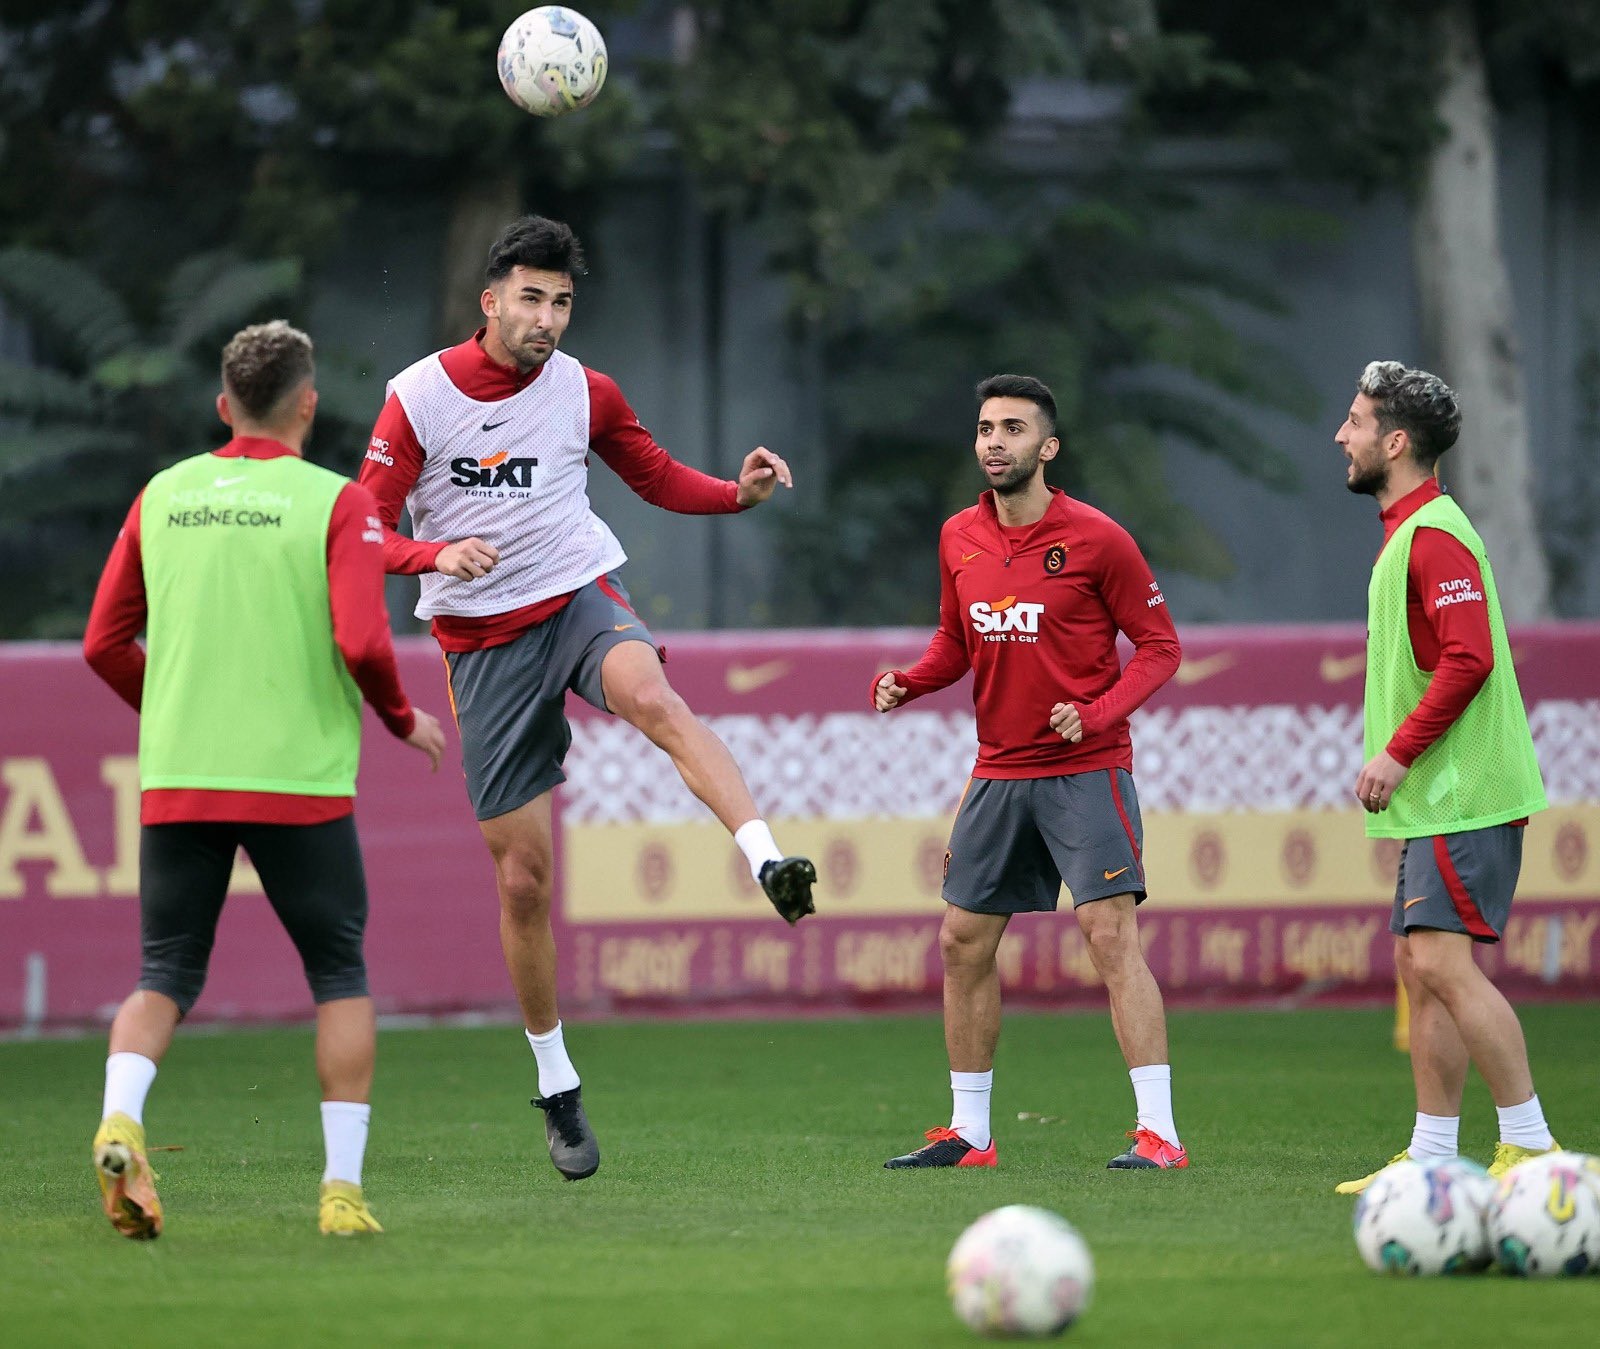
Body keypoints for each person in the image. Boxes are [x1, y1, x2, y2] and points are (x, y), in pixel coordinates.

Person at [358, 214, 816, 1182]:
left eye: (561, 301)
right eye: (531, 297)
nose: (548, 318)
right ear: (490, 302)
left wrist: (737, 493)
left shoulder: (583, 390)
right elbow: (362, 529)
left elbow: (652, 478)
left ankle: (767, 857)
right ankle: (556, 1080)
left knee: (654, 695)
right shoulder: (418, 397)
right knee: (523, 881)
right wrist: (433, 552)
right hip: (480, 644)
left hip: (575, 595)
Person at [81, 321, 446, 1239]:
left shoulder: (162, 494)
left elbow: (102, 643)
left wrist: (166, 713)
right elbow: (363, 640)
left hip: (181, 776)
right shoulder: (334, 502)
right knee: (338, 972)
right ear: (309, 405)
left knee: (164, 969)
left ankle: (122, 1116)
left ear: (222, 405)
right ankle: (341, 1194)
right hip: (298, 780)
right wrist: (404, 720)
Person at [873, 373, 1187, 1171]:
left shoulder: (1099, 539)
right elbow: (956, 641)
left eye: (1012, 429)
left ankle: (1160, 1134)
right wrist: (911, 678)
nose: (994, 442)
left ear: (1046, 447)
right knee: (961, 940)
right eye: (985, 428)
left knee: (1109, 934)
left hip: (1086, 767)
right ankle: (971, 1132)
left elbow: (1160, 648)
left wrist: (1101, 709)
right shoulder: (958, 537)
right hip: (999, 770)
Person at [1332, 360, 1557, 1193]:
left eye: (1355, 422)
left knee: (1444, 966)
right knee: (1418, 964)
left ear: (1395, 443)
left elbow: (1470, 659)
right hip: (1441, 798)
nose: (1341, 435)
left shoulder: (1434, 535)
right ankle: (1432, 1156)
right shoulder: (1411, 533)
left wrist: (1398, 753)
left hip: (1465, 794)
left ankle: (1532, 1143)